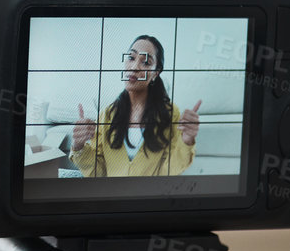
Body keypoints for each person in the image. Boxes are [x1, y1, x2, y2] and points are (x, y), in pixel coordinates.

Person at [70, 34, 201, 177]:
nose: (134, 67)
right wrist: (78, 146)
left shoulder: (170, 113)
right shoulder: (107, 114)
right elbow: (99, 172)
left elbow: (169, 171)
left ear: (156, 73)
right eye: (131, 58)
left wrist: (187, 140)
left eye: (145, 62)